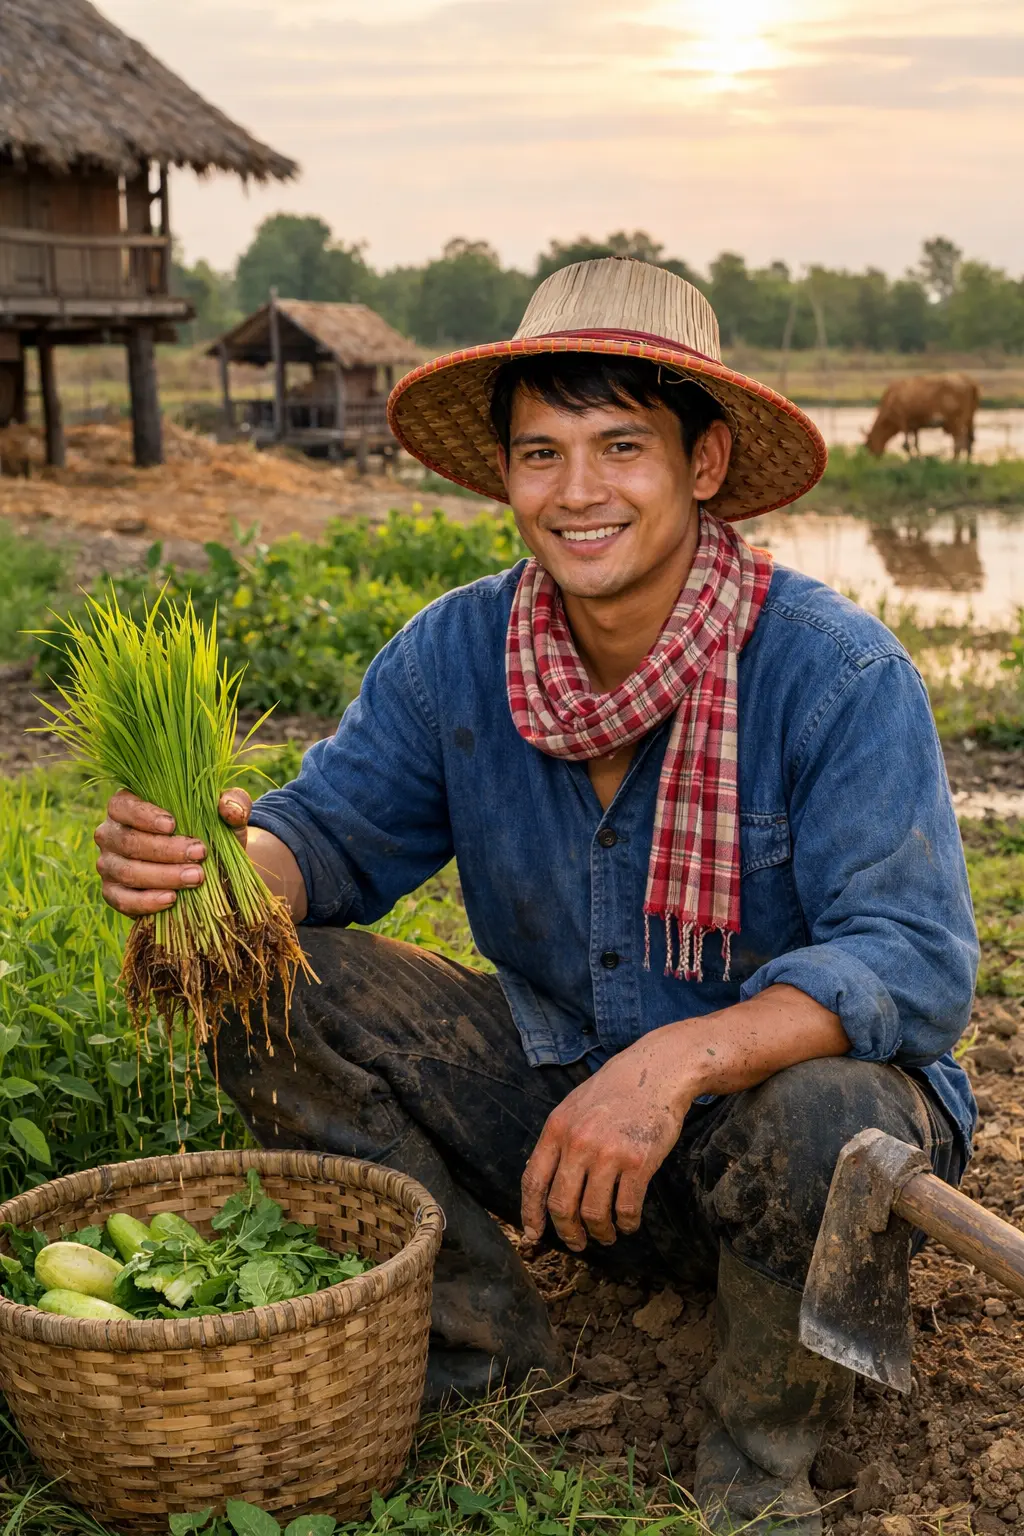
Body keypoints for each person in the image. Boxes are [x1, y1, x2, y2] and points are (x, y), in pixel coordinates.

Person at [94, 258, 978, 1535]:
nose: (577, 493)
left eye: (621, 445)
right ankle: (485, 1340)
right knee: (270, 975)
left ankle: (759, 1449)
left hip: (768, 1138)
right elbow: (327, 836)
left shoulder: (831, 673)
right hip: (571, 1110)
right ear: (503, 474)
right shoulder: (457, 653)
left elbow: (910, 963)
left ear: (705, 462)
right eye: (540, 452)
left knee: (830, 1113)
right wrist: (215, 877)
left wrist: (674, 1060)